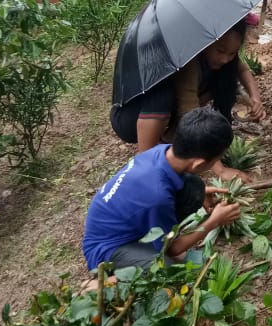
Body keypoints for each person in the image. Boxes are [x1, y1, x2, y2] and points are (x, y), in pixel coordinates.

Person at [83, 109, 242, 272]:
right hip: (106, 249)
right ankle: (101, 283)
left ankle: (153, 245)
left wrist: (202, 193)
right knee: (165, 271)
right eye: (216, 160)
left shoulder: (163, 151)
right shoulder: (157, 197)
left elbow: (164, 188)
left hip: (124, 220)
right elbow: (173, 249)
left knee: (194, 188)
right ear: (199, 164)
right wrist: (214, 221)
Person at [110, 20, 266, 154]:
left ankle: (168, 138)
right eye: (220, 51)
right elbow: (189, 113)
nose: (225, 58)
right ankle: (148, 159)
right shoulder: (189, 63)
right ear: (207, 41)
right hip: (129, 120)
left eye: (232, 53)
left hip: (164, 112)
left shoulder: (223, 58)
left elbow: (241, 69)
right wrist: (216, 164)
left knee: (223, 80)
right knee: (164, 95)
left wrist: (255, 99)